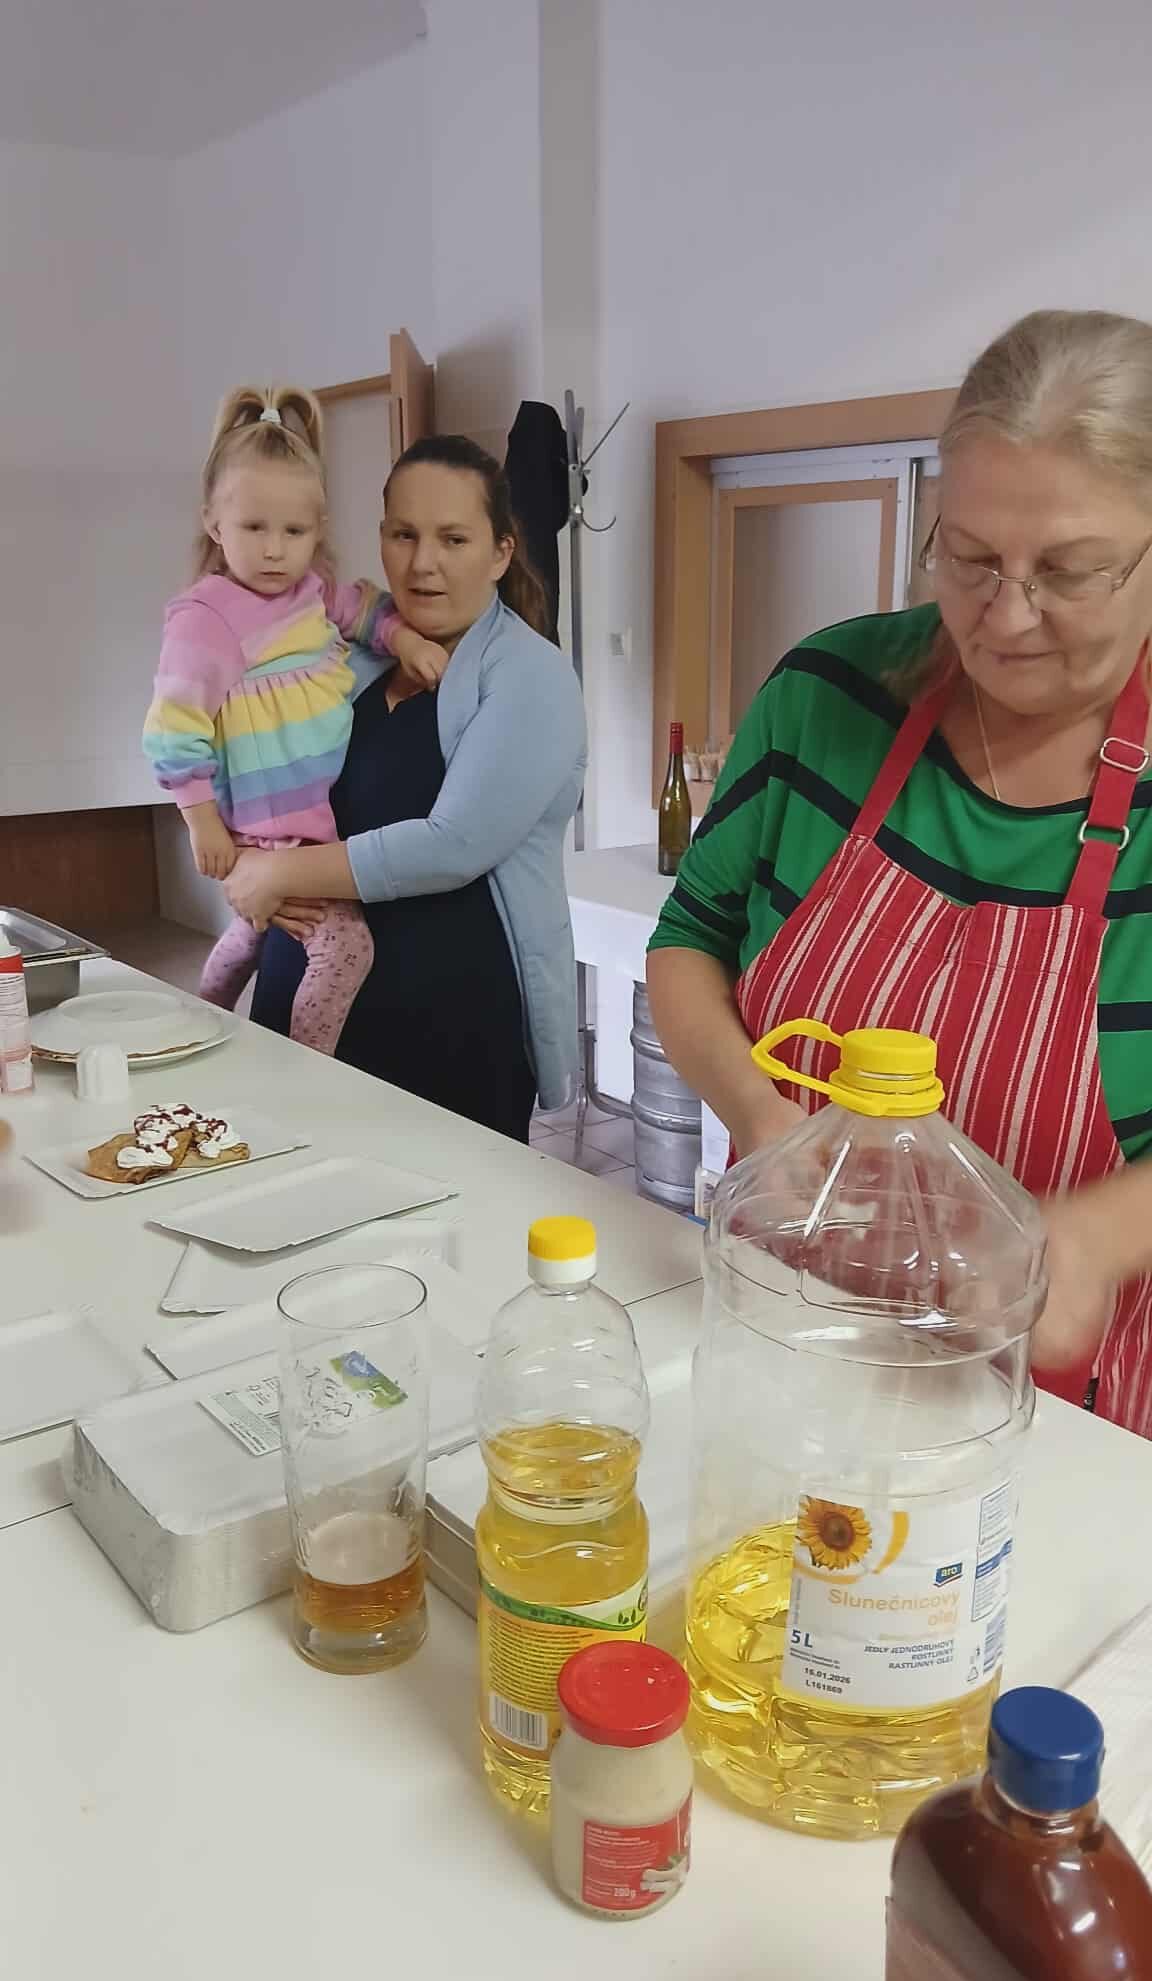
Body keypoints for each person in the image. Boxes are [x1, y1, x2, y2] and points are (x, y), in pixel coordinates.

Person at [648, 308, 1152, 1437]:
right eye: (968, 558)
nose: (1005, 618)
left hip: (1057, 1424)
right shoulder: (826, 696)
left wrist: (1098, 1236)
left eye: (1068, 571)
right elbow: (690, 937)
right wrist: (760, 1120)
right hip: (782, 1353)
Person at [223, 433, 587, 1144]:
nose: (423, 563)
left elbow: (454, 844)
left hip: (448, 1028)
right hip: (302, 992)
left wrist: (277, 872)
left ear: (501, 552)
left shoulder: (531, 677)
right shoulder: (342, 651)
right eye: (404, 534)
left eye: (454, 539)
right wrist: (232, 849)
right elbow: (254, 752)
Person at [143, 385, 444, 1054]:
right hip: (269, 833)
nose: (275, 550)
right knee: (346, 950)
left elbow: (364, 610)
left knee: (253, 933)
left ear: (318, 530)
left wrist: (406, 641)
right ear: (214, 523)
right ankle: (311, 1069)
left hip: (305, 822)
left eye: (294, 532)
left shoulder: (311, 592)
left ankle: (199, 1016)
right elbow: (172, 727)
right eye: (255, 528)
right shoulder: (207, 618)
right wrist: (201, 822)